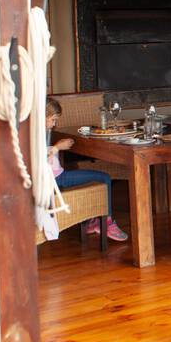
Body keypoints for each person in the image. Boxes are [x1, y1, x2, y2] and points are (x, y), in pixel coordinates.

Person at [46, 98, 128, 242]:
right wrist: (57, 147)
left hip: (57, 176)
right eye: (53, 120)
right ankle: (106, 223)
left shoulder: (38, 132)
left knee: (101, 176)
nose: (54, 124)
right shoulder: (35, 135)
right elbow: (38, 160)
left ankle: (93, 222)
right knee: (104, 178)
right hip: (57, 179)